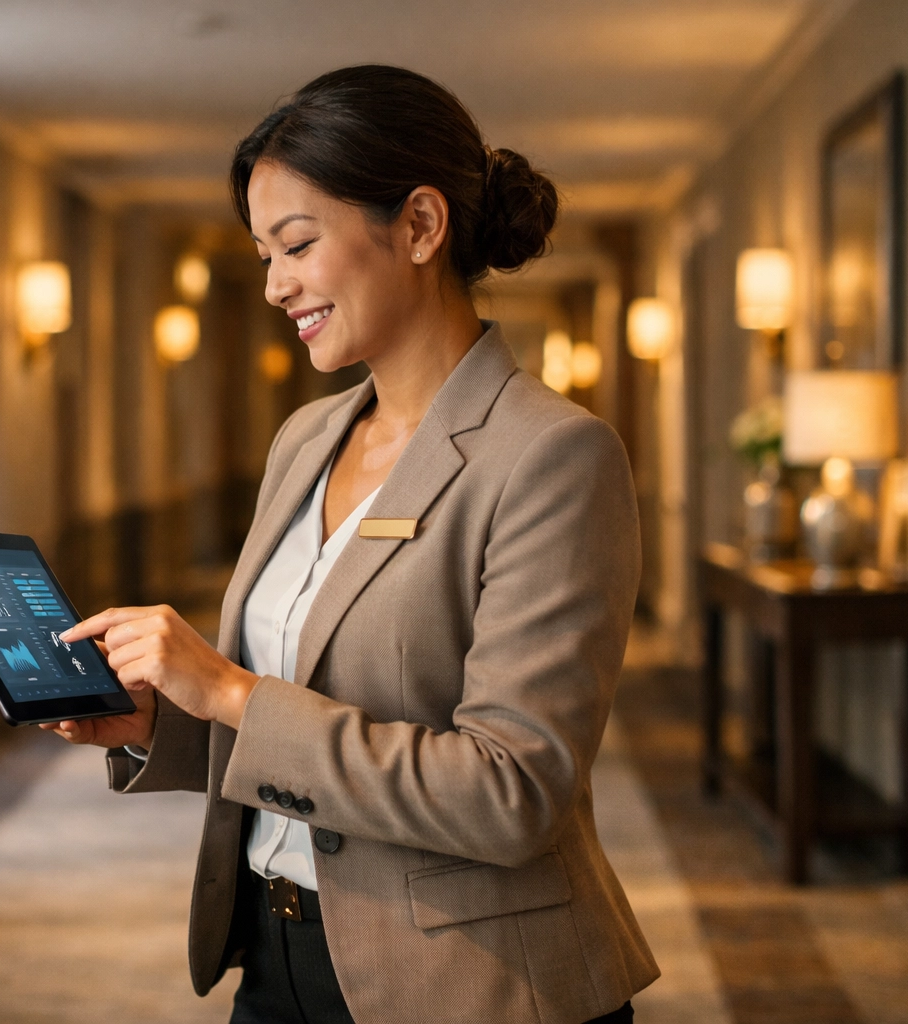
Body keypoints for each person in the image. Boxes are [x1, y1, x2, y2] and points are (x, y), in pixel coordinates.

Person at [44, 64, 657, 1024]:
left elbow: (512, 793)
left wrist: (234, 692)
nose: (275, 285)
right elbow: (304, 709)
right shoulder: (306, 439)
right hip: (277, 951)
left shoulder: (552, 456)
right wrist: (162, 727)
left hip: (473, 980)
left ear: (419, 225)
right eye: (262, 255)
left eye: (297, 244)